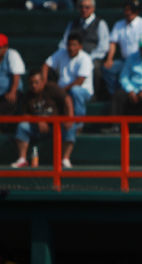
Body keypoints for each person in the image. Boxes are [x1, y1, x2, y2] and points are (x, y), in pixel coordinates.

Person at [43, 33, 94, 168]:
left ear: (80, 46)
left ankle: (79, 124)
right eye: (69, 45)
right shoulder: (61, 53)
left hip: (82, 92)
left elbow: (80, 81)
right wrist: (43, 82)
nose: (71, 48)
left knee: (75, 92)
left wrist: (61, 91)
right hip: (63, 92)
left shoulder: (85, 59)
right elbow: (46, 65)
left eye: (74, 45)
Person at [10, 70, 75, 168]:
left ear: (42, 82)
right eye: (31, 83)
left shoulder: (52, 88)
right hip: (37, 128)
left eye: (36, 82)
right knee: (22, 126)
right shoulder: (28, 96)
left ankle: (65, 159)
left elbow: (67, 99)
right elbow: (24, 116)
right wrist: (38, 120)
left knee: (71, 128)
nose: (34, 85)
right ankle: (22, 159)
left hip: (56, 126)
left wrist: (70, 117)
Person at [57, 0, 110, 99]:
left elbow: (103, 47)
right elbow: (64, 43)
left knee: (95, 67)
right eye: (81, 7)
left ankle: (94, 95)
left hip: (93, 57)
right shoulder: (73, 23)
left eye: (87, 7)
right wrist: (67, 54)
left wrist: (88, 58)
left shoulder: (100, 23)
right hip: (72, 55)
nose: (84, 10)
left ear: (93, 9)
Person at [103, 0, 142, 95]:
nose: (129, 13)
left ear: (137, 11)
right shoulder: (119, 24)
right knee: (108, 69)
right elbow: (113, 42)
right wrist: (109, 59)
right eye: (127, 10)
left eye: (132, 10)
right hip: (124, 61)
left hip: (139, 60)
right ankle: (115, 94)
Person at [0, 34, 26, 118]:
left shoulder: (12, 54)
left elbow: (16, 74)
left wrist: (12, 92)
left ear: (5, 47)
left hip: (12, 94)